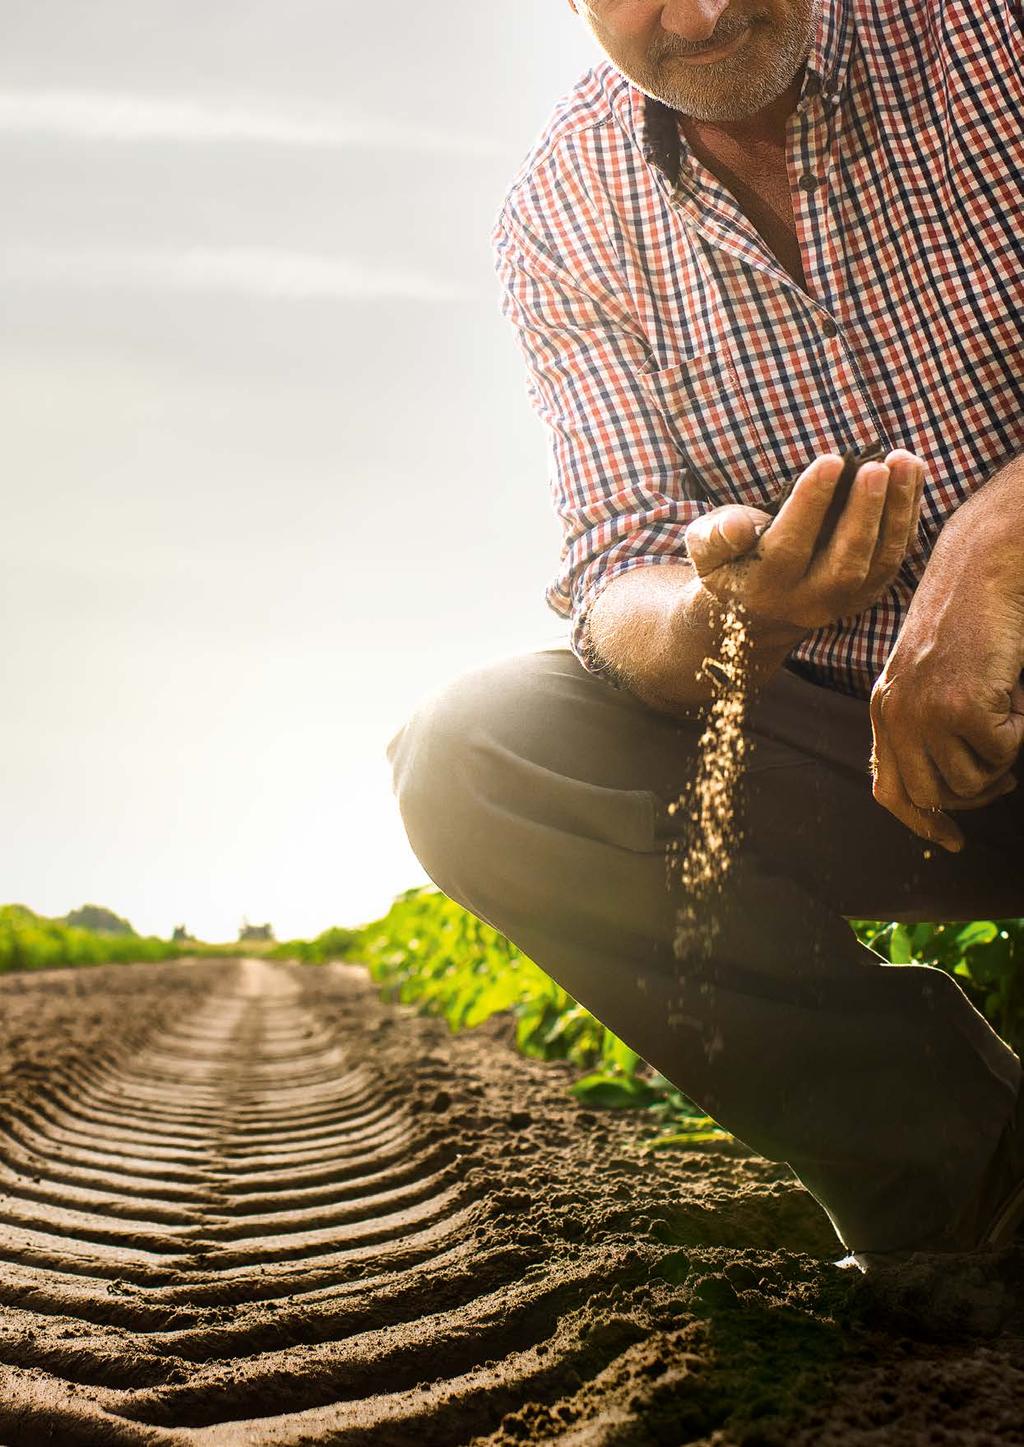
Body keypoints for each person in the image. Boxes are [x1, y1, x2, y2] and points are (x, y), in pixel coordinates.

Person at [388, 0, 1024, 1268]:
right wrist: (727, 615)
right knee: (480, 754)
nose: (703, 10)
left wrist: (993, 544)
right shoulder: (567, 209)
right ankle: (971, 1187)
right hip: (880, 768)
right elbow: (616, 560)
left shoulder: (987, 36)